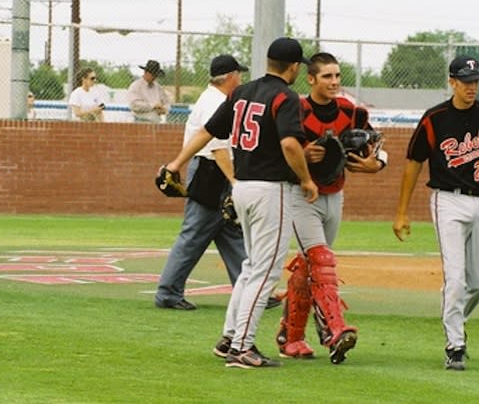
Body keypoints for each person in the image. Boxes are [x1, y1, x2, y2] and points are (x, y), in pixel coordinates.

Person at [164, 37, 318, 369]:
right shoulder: (286, 97)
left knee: (250, 268)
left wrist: (177, 164)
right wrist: (306, 179)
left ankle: (229, 338)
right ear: (293, 67)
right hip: (270, 190)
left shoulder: (242, 91)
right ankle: (241, 348)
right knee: (264, 271)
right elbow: (291, 144)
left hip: (242, 186)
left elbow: (206, 132)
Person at [392, 55, 479, 371]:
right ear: (452, 82)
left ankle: (455, 318)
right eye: (466, 81)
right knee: (455, 278)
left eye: (476, 81)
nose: (472, 87)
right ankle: (454, 344)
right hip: (447, 200)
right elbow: (413, 164)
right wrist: (401, 212)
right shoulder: (435, 118)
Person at [275, 52, 388, 364]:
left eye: (337, 76)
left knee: (309, 267)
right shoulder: (295, 108)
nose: (334, 82)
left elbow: (377, 147)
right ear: (310, 79)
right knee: (321, 260)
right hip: (300, 195)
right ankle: (334, 330)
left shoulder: (350, 112)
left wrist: (374, 163)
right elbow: (275, 146)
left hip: (334, 194)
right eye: (327, 76)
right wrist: (300, 155)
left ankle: (291, 336)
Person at [154, 55, 280, 311]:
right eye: (239, 75)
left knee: (232, 233)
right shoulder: (215, 101)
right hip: (211, 172)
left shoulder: (216, 99)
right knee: (194, 234)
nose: (241, 79)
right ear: (231, 76)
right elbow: (218, 148)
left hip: (215, 171)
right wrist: (235, 182)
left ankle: (252, 291)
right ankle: (168, 292)